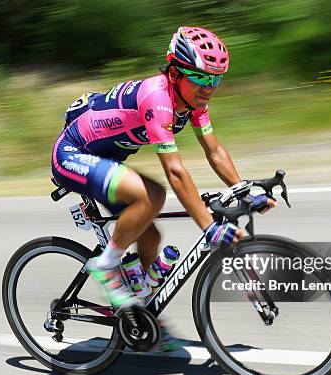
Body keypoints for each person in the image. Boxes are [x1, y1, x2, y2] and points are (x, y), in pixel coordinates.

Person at [51, 26, 276, 317]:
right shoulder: (157, 98)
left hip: (104, 160)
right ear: (174, 74)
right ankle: (106, 265)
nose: (208, 87)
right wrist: (209, 227)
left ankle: (141, 315)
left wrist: (245, 189)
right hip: (72, 155)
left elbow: (215, 152)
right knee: (153, 195)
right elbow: (175, 171)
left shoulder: (194, 102)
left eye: (215, 79)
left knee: (150, 237)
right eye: (199, 77)